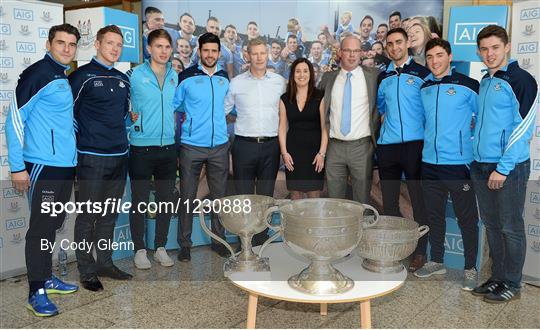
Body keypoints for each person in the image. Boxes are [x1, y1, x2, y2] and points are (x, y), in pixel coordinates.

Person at [5, 23, 80, 317]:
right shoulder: (37, 74)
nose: (66, 48)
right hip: (42, 167)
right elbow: (14, 120)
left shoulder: (62, 76)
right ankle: (35, 291)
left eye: (72, 44)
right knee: (40, 229)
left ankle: (47, 277)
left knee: (52, 224)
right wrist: (17, 167)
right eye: (60, 43)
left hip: (64, 166)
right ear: (49, 44)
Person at [470, 25, 538, 303]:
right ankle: (497, 278)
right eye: (484, 49)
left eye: (495, 47)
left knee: (510, 226)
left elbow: (522, 130)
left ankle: (513, 282)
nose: (489, 54)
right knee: (492, 225)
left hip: (507, 167)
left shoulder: (522, 80)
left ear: (507, 46)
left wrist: (502, 167)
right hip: (481, 165)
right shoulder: (486, 80)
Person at [69, 25, 133, 292]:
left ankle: (105, 263)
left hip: (120, 156)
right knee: (87, 217)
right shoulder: (80, 76)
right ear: (97, 44)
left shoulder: (123, 79)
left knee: (108, 215)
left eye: (119, 44)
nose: (115, 49)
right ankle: (87, 270)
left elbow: (124, 116)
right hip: (91, 159)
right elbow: (68, 118)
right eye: (110, 43)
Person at [414, 38, 480, 292]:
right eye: (429, 57)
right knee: (434, 216)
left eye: (439, 55)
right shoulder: (425, 86)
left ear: (450, 57)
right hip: (429, 162)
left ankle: (470, 268)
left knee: (466, 219)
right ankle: (437, 261)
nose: (434, 61)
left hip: (459, 165)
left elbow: (482, 118)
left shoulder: (468, 85)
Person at [376, 28, 430, 272]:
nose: (394, 47)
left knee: (419, 201)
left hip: (415, 147)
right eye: (390, 43)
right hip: (388, 148)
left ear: (408, 43)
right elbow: (381, 108)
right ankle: (395, 249)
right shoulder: (382, 77)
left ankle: (420, 252)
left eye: (399, 42)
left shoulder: (423, 73)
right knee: (389, 204)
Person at [225, 37, 286, 246]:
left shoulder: (279, 82)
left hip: (271, 146)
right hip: (243, 146)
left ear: (267, 54)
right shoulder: (236, 83)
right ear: (247, 55)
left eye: (263, 53)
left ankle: (261, 242)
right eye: (255, 53)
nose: (259, 57)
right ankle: (245, 242)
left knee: (266, 198)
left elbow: (287, 113)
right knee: (243, 198)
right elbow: (223, 112)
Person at [174, 33, 230, 261]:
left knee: (219, 198)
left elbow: (227, 105)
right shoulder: (186, 76)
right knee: (188, 196)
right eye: (205, 50)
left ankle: (219, 241)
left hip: (219, 147)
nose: (209, 55)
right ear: (199, 51)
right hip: (191, 146)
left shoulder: (224, 77)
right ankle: (185, 245)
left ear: (218, 53)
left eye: (213, 51)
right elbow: (175, 106)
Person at [128, 29, 178, 269]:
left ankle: (160, 247)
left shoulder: (174, 75)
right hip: (140, 148)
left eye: (167, 47)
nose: (163, 51)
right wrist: (132, 122)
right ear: (149, 49)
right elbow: (123, 107)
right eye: (158, 46)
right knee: (139, 200)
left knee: (166, 200)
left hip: (168, 147)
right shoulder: (134, 75)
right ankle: (139, 249)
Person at [318, 35, 380, 204]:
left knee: (362, 201)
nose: (352, 55)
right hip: (334, 147)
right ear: (340, 52)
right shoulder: (328, 78)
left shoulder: (374, 76)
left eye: (356, 51)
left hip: (362, 148)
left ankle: (361, 230)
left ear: (361, 53)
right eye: (347, 50)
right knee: (335, 200)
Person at [278, 58, 328, 199]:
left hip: (315, 154)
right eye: (298, 71)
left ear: (311, 74)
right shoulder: (285, 98)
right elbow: (282, 128)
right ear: (293, 74)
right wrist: (284, 153)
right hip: (293, 152)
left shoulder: (320, 96)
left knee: (314, 194)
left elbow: (325, 127)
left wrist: (322, 154)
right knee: (295, 194)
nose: (301, 75)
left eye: (305, 71)